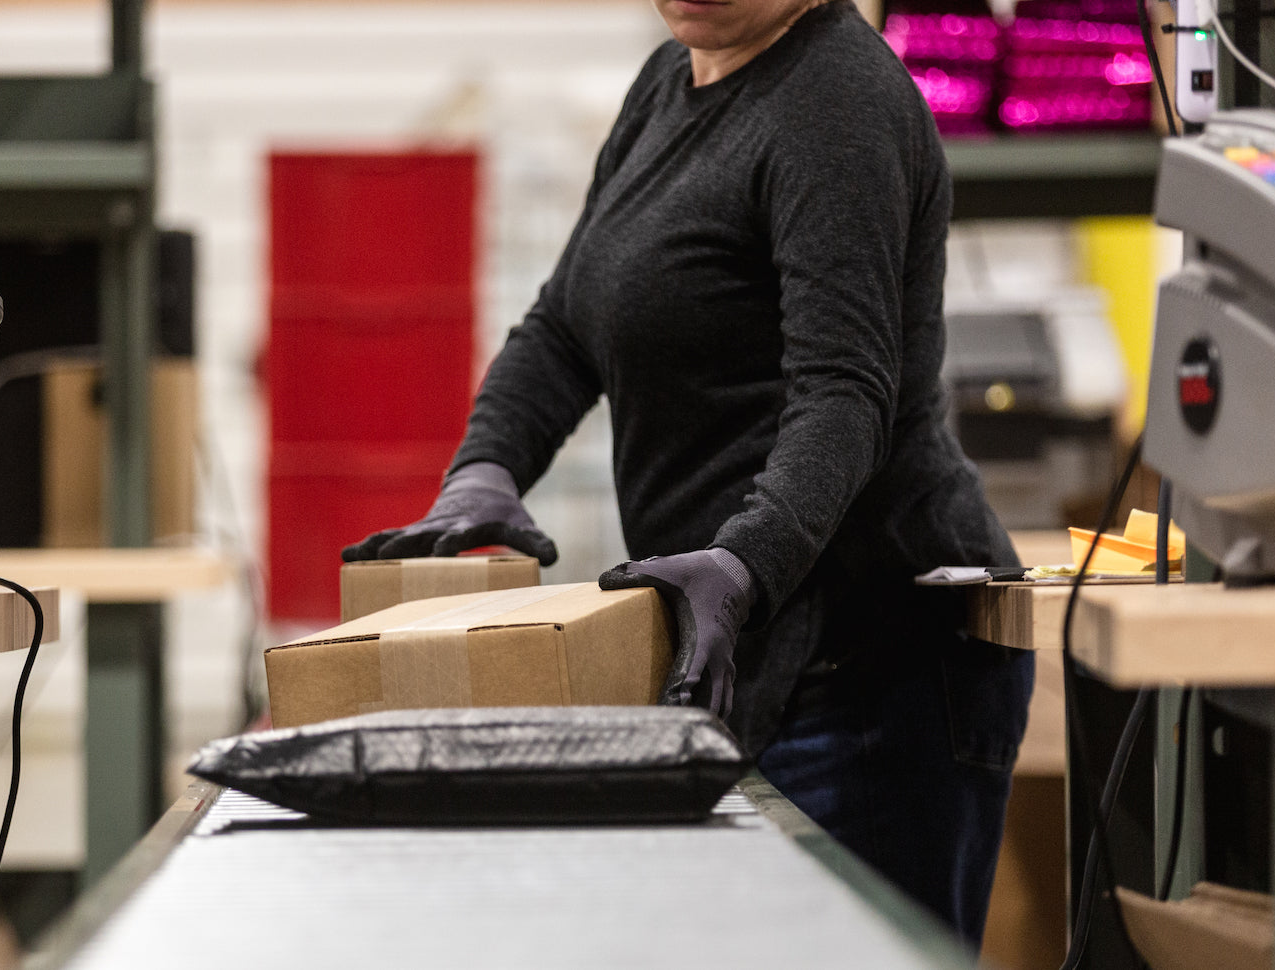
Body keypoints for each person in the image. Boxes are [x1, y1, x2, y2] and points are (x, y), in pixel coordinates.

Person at [342, 0, 1033, 946]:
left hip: (868, 667)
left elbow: (844, 393)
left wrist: (746, 561)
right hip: (743, 653)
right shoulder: (672, 81)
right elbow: (566, 323)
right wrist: (488, 467)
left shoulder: (837, 101)